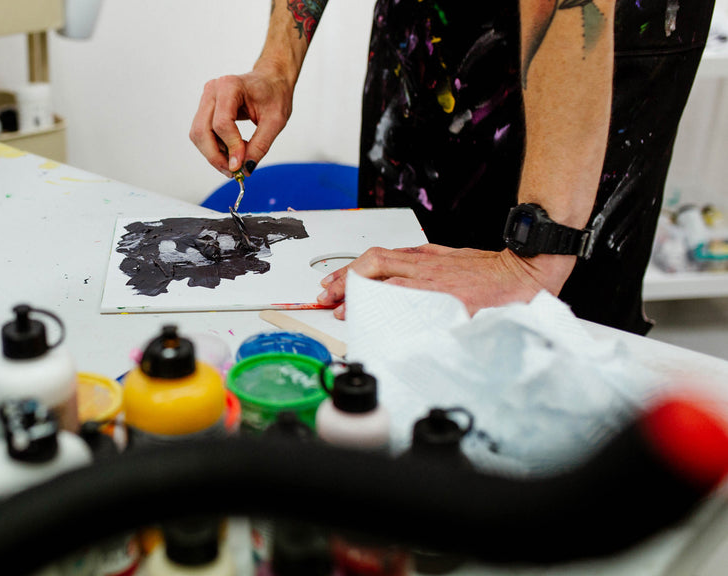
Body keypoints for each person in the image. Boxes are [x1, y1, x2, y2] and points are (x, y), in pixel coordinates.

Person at [190, 0, 715, 334]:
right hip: (426, 40)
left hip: (593, 49)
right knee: (387, 314)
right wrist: (277, 65)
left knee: (549, 359)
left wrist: (537, 257)